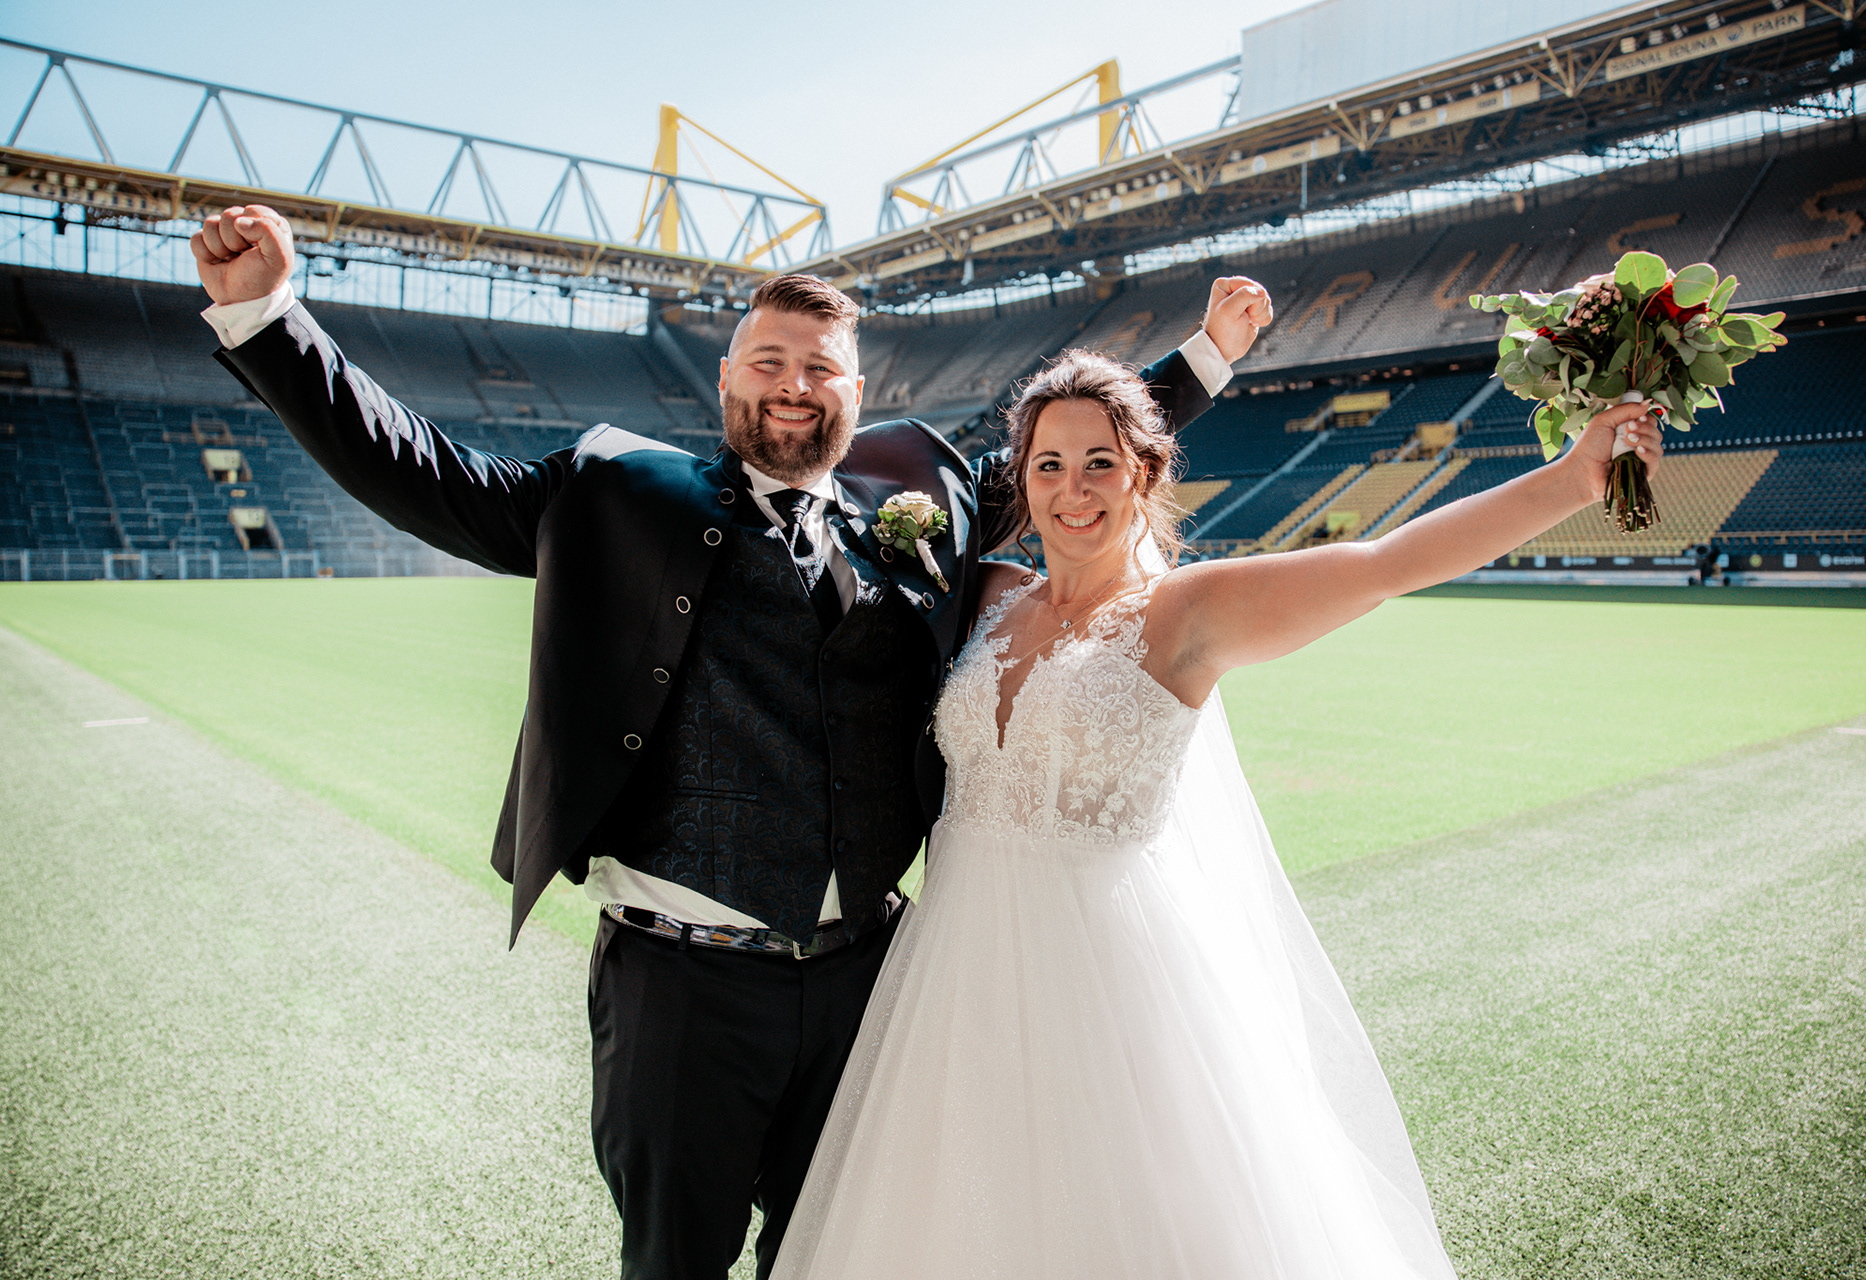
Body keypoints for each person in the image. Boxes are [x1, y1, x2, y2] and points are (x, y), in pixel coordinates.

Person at [187, 203, 1275, 1280]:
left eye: (821, 367)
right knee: (675, 1262)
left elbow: (1076, 450)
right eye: (771, 360)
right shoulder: (613, 489)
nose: (795, 384)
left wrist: (1209, 357)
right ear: (727, 380)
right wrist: (271, 318)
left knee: (842, 1254)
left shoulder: (920, 491)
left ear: (858, 390)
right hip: (681, 989)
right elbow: (427, 471)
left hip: (869, 985)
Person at [768, 349, 1665, 1279]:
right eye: (1049, 466)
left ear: (1146, 473)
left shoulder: (1187, 613)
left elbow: (1386, 564)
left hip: (1111, 993)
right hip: (951, 982)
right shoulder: (990, 598)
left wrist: (1573, 477)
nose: (1073, 491)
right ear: (1021, 481)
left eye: (1100, 464)